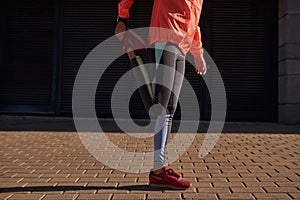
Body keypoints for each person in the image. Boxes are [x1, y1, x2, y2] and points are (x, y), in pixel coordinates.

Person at [115, 0, 207, 190]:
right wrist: (122, 16)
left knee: (169, 109)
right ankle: (133, 55)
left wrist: (198, 54)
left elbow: (193, 22)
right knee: (160, 106)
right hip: (163, 38)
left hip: (182, 46)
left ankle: (159, 169)